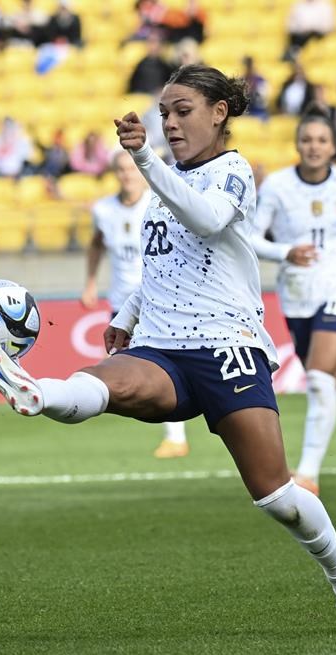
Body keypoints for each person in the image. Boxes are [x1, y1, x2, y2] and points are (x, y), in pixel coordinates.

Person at [0, 64, 336, 635]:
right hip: (162, 346)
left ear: (219, 112)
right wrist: (126, 313)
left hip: (227, 348)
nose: (170, 122)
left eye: (182, 110)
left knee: (278, 496)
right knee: (111, 383)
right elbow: (162, 266)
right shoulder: (164, 189)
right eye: (164, 113)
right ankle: (33, 389)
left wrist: (145, 161)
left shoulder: (231, 172)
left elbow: (207, 220)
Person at [250, 105, 336, 497]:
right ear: (297, 144)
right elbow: (252, 236)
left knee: (314, 378)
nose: (314, 147)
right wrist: (285, 253)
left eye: (321, 140)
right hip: (297, 295)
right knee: (325, 378)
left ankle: (309, 472)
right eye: (307, 140)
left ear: (333, 147)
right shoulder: (278, 186)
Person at [81, 150, 189, 458]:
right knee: (130, 367)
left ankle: (176, 436)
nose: (127, 174)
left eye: (131, 168)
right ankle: (171, 428)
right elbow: (96, 243)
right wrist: (90, 281)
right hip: (121, 302)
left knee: (162, 362)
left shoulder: (157, 205)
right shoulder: (103, 210)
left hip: (157, 297)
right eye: (120, 169)